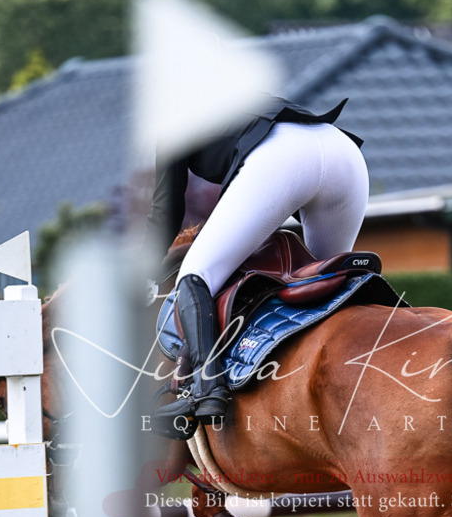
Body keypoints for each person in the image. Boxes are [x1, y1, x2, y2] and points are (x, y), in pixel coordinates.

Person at [148, 96, 369, 436]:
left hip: (284, 157)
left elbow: (166, 214)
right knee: (325, 287)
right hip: (343, 153)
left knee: (195, 276)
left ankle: (207, 391)